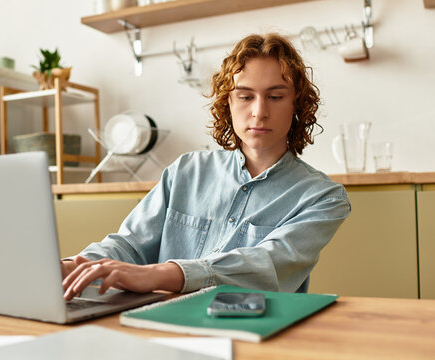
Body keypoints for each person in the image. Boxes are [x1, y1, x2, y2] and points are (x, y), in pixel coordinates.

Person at [61, 33, 351, 300]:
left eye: (275, 96)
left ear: (296, 105)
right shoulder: (186, 171)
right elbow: (130, 245)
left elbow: (266, 266)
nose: (260, 112)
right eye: (245, 96)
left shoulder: (323, 197)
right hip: (160, 325)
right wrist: (74, 267)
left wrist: (160, 274)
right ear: (228, 102)